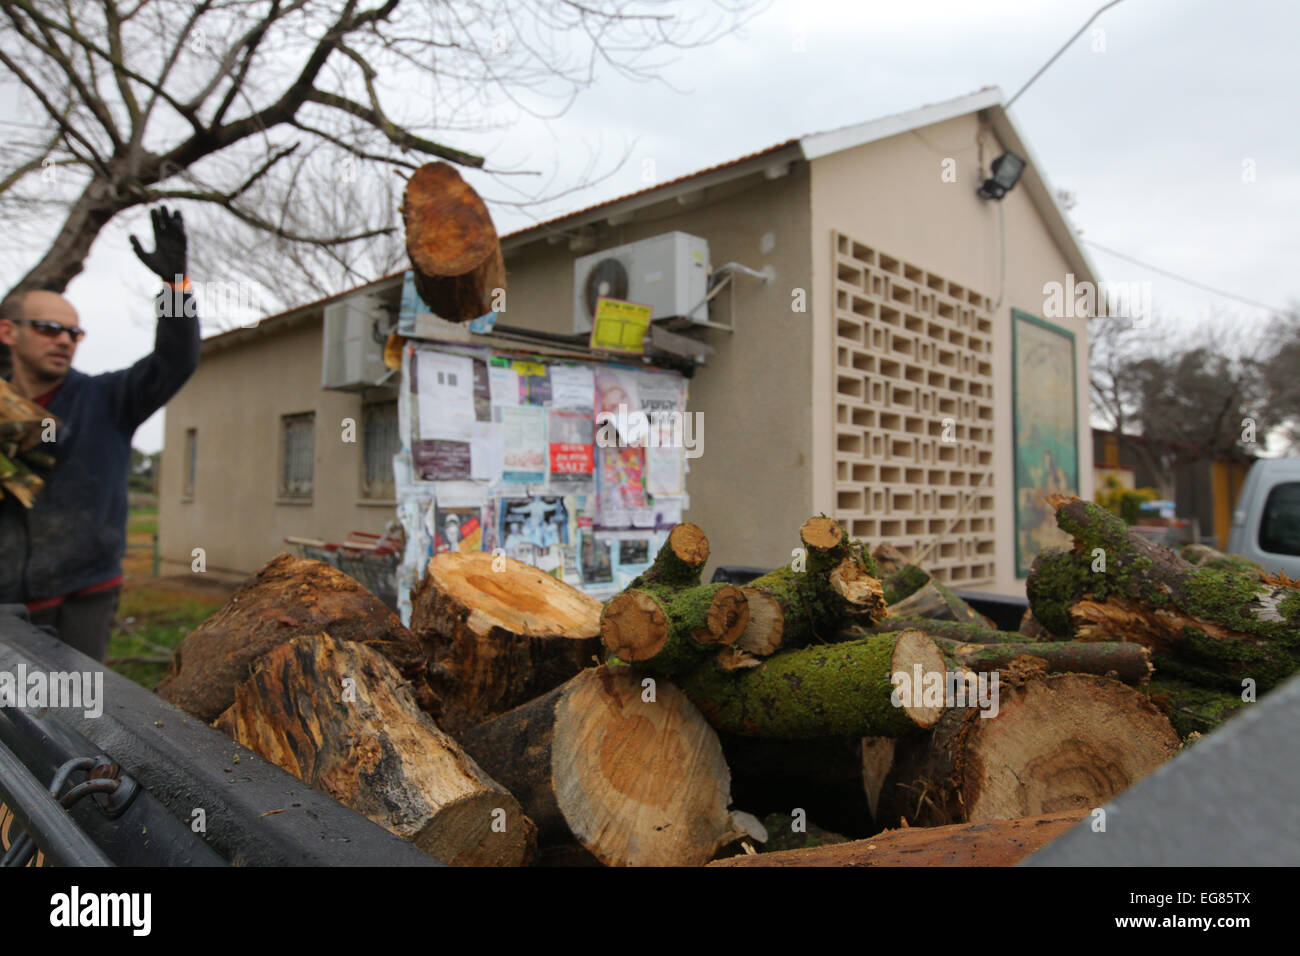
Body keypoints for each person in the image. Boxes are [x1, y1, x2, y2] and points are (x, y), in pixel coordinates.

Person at [0, 206, 201, 661]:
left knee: (75, 717)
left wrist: (175, 288)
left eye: (74, 333)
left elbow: (175, 362)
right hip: (5, 596)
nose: (64, 340)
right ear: (9, 332)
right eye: (50, 329)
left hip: (81, 595)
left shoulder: (107, 400)